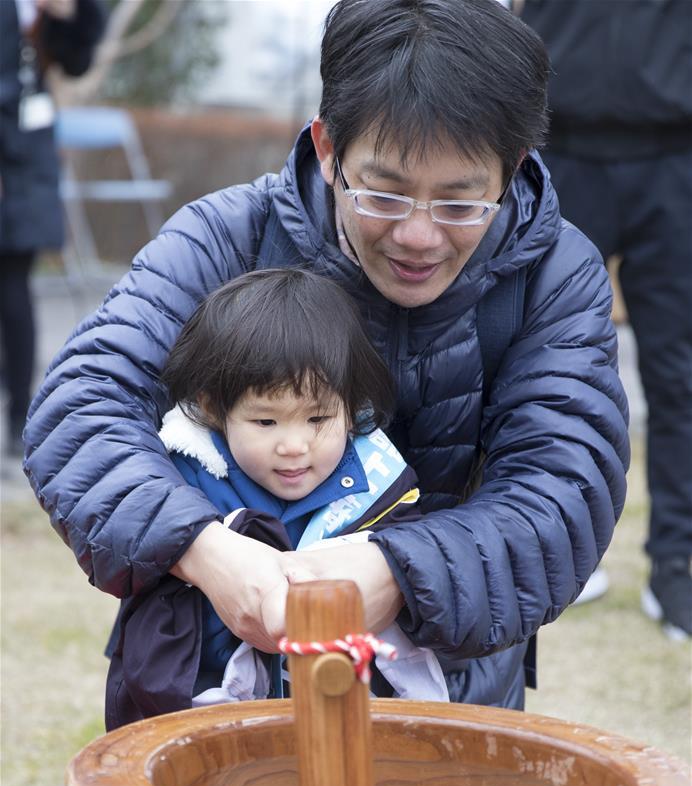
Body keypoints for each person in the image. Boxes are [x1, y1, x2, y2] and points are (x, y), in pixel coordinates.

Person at [24, 0, 630, 713]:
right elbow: (79, 406)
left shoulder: (555, 273)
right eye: (385, 192)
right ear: (325, 147)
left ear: (514, 169)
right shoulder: (228, 238)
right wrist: (205, 548)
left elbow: (563, 490)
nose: (418, 236)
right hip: (213, 684)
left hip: (450, 693)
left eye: (461, 203)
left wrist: (395, 569)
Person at [106, 267, 451, 727]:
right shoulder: (181, 485)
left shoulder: (383, 486)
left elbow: (420, 588)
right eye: (266, 422)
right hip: (209, 719)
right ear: (213, 409)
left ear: (352, 409)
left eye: (317, 418)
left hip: (345, 718)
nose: (294, 445)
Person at [519, 0, 692, 640]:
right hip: (560, 146)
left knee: (679, 374)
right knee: (535, 359)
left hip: (676, 155)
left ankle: (674, 564)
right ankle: (547, 545)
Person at [0, 0, 106, 456]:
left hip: (26, 157)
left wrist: (68, 13)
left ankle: (18, 420)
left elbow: (77, 62)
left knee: (14, 284)